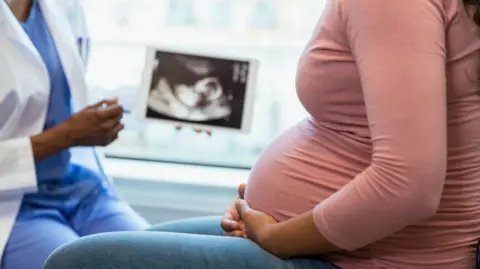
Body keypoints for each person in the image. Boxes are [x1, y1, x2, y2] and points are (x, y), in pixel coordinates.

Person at [44, 0, 480, 269]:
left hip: (367, 257)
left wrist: (276, 235)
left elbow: (409, 187)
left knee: (79, 262)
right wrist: (275, 199)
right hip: (335, 239)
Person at [0, 0, 207, 268]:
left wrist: (162, 104)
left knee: (160, 261)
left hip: (77, 188)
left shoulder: (61, 6)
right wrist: (66, 136)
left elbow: (63, 93)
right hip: (13, 206)